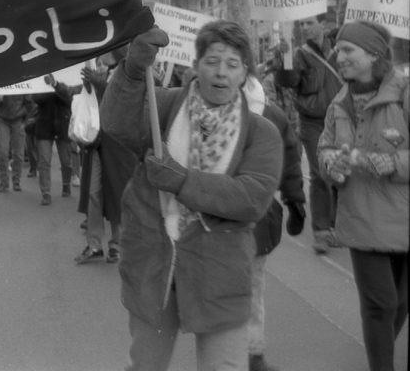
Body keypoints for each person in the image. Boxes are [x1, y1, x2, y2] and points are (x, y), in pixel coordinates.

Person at [101, 21, 282, 371]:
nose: (221, 72)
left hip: (219, 272)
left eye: (233, 64)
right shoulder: (164, 106)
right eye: (213, 61)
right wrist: (133, 70)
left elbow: (252, 198)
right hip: (155, 266)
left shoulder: (261, 133)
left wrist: (181, 180)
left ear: (245, 73)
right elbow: (117, 123)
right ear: (196, 65)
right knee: (144, 365)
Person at [317, 20, 408, 371]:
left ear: (373, 54)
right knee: (381, 303)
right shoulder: (339, 104)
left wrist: (390, 162)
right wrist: (331, 165)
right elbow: (325, 147)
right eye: (338, 50)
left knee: (400, 302)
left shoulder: (404, 92)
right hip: (361, 215)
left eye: (347, 50)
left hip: (403, 214)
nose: (338, 57)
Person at [244, 74, 306, 371]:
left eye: (234, 61)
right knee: (219, 292)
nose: (224, 70)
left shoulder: (270, 113)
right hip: (210, 222)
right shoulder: (198, 107)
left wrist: (295, 201)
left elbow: (290, 159)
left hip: (257, 220)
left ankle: (253, 353)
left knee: (253, 287)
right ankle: (223, 353)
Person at [271, 12, 342, 254]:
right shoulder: (299, 53)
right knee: (320, 172)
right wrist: (284, 59)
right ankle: (321, 231)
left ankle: (337, 226)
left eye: (310, 22)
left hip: (341, 121)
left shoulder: (340, 50)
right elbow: (287, 82)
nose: (305, 27)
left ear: (322, 24)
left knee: (340, 173)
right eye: (302, 24)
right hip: (312, 123)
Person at [76, 54, 124, 265]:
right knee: (94, 194)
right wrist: (89, 86)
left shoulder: (126, 71)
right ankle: (94, 244)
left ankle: (117, 245)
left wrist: (99, 82)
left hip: (119, 146)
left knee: (116, 195)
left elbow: (122, 100)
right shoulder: (99, 72)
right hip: (96, 142)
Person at [31, 74, 75, 205]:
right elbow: (36, 98)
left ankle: (66, 184)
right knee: (44, 161)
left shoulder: (69, 76)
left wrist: (55, 85)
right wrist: (55, 91)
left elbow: (69, 97)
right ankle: (46, 193)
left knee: (66, 161)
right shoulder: (40, 78)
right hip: (44, 125)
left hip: (63, 125)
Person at [0, 93, 33, 193]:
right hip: (1, 118)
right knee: (2, 152)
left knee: (18, 153)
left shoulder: (22, 80)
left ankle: (16, 181)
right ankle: (4, 182)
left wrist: (26, 119)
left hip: (19, 119)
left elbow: (29, 102)